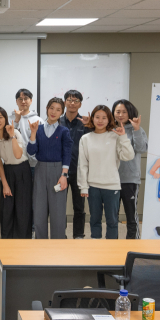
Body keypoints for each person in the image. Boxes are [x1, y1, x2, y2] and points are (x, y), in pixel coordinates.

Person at [78, 105, 135, 239]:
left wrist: (123, 137)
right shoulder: (85, 139)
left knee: (112, 222)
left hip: (112, 186)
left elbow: (128, 156)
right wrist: (83, 186)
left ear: (109, 120)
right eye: (97, 117)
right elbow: (83, 165)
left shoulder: (115, 136)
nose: (100, 120)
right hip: (93, 187)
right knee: (94, 221)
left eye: (104, 118)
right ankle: (96, 251)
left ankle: (112, 254)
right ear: (92, 118)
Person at [27, 98, 73, 240]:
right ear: (47, 108)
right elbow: (31, 151)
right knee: (39, 209)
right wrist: (33, 133)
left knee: (58, 210)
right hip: (40, 169)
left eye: (58, 109)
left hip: (58, 170)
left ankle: (58, 243)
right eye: (51, 108)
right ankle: (40, 242)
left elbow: (67, 153)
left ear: (62, 112)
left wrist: (64, 175)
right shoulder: (38, 128)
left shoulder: (64, 131)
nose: (54, 112)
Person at [0, 106, 32, 239]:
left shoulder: (15, 133)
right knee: (7, 209)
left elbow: (18, 155)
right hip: (7, 172)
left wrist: (12, 135)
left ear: (6, 119)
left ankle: (23, 242)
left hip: (22, 171)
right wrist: (5, 184)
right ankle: (7, 242)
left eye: (1, 117)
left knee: (22, 209)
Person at [112, 99, 148, 239]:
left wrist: (137, 129)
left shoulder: (137, 129)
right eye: (117, 111)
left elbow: (141, 149)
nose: (120, 115)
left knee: (131, 216)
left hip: (130, 180)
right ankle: (112, 245)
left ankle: (132, 244)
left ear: (130, 113)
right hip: (111, 179)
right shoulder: (110, 128)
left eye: (124, 112)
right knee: (112, 217)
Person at [59, 90, 91, 239]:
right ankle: (61, 234)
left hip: (80, 170)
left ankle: (78, 235)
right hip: (61, 171)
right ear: (64, 102)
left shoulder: (85, 123)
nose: (72, 103)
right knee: (59, 205)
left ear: (80, 104)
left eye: (76, 100)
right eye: (69, 100)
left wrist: (89, 126)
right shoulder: (57, 121)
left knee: (79, 206)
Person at [10, 89, 44, 179]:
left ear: (31, 100)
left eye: (26, 98)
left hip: (33, 164)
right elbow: (8, 138)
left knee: (34, 191)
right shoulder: (10, 119)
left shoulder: (38, 120)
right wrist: (16, 120)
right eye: (20, 99)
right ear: (16, 101)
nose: (23, 101)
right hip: (16, 163)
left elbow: (42, 142)